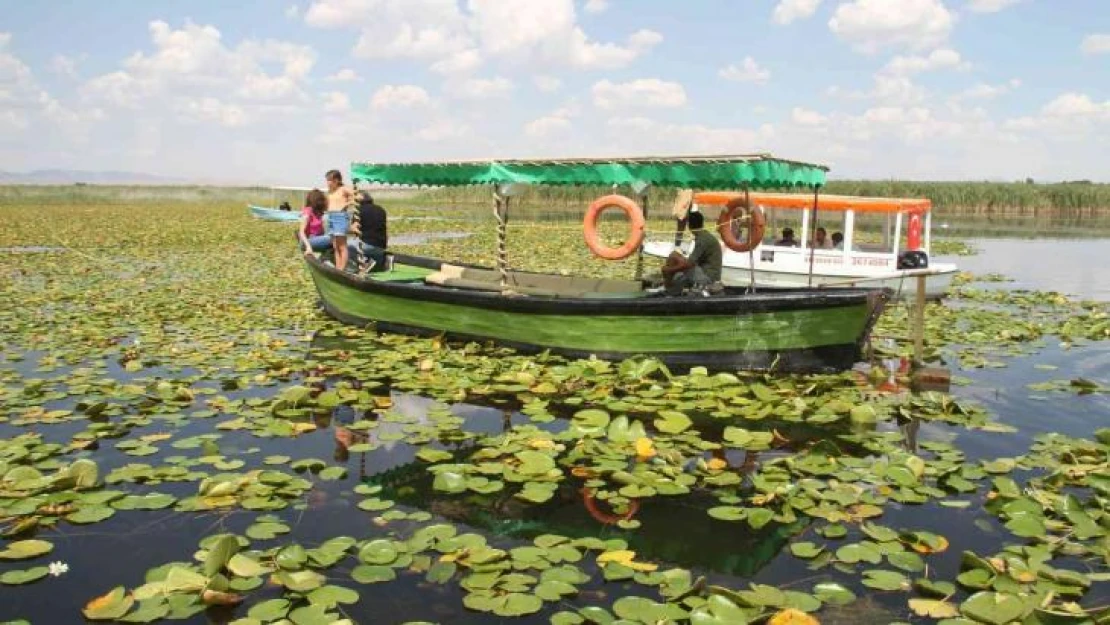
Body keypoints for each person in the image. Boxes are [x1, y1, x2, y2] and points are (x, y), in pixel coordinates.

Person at [660, 210, 723, 294]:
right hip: (705, 272)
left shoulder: (702, 240)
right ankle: (670, 287)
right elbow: (692, 261)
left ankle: (669, 289)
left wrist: (670, 270)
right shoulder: (704, 235)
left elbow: (689, 264)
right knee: (675, 256)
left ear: (689, 225)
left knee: (674, 257)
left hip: (709, 277)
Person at [350, 183, 388, 270]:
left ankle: (352, 268)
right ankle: (372, 262)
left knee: (345, 245)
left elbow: (354, 229)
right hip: (381, 247)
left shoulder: (358, 211)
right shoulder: (381, 209)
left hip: (366, 246)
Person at [325, 169, 354, 270]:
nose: (328, 183)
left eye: (330, 180)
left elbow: (358, 196)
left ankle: (342, 269)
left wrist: (345, 204)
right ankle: (338, 268)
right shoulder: (330, 191)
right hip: (331, 217)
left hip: (340, 217)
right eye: (327, 180)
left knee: (342, 245)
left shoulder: (343, 189)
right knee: (335, 246)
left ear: (337, 180)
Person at [297, 189, 330, 255]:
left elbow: (322, 232)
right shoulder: (307, 211)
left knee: (336, 238)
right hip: (307, 241)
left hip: (317, 240)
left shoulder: (319, 213)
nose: (324, 202)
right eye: (323, 200)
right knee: (333, 238)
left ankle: (326, 257)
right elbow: (301, 232)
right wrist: (308, 247)